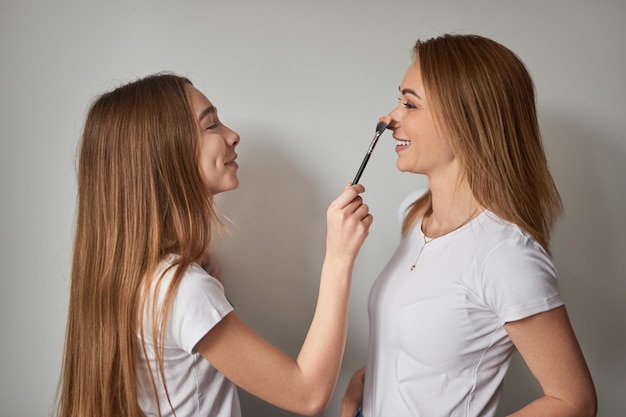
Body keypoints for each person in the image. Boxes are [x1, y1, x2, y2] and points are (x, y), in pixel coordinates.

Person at [55, 73, 373, 417]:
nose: (232, 135)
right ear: (166, 152)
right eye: (211, 126)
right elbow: (307, 394)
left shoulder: (141, 275)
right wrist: (339, 258)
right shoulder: (182, 289)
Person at [340, 34, 597, 417]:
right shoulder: (412, 214)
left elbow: (573, 401)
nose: (389, 118)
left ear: (466, 120)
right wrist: (360, 389)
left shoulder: (506, 255)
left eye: (410, 103)